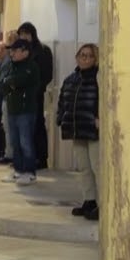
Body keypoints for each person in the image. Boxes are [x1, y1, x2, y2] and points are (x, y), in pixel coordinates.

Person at [56, 44, 100, 219]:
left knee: (97, 167)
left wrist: (100, 118)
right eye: (82, 55)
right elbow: (62, 100)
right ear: (77, 57)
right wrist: (61, 118)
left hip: (93, 129)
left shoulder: (99, 79)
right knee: (84, 168)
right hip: (77, 128)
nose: (85, 59)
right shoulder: (71, 79)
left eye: (89, 56)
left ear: (95, 59)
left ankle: (103, 203)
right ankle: (89, 200)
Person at [0, 39, 42, 185]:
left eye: (15, 50)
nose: (12, 53)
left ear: (25, 52)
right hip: (12, 109)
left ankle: (29, 172)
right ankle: (18, 170)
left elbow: (20, 81)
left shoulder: (31, 67)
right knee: (15, 142)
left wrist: (11, 82)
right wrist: (10, 83)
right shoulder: (11, 66)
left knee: (26, 142)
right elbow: (3, 83)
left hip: (25, 110)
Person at [17, 22, 54, 169]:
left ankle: (41, 157)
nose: (24, 37)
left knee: (37, 125)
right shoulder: (21, 51)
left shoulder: (42, 51)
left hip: (36, 94)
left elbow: (46, 74)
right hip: (21, 95)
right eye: (21, 34)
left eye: (26, 34)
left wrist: (36, 87)